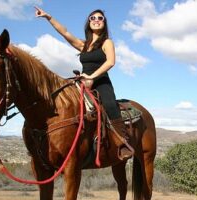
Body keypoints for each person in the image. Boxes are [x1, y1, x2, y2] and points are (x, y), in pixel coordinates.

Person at [35, 6, 133, 160]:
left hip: (101, 81)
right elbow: (65, 33)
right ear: (89, 22)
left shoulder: (107, 42)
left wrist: (92, 77)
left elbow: (111, 62)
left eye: (100, 18)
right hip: (83, 81)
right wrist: (48, 17)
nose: (96, 20)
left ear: (104, 23)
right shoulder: (84, 45)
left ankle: (122, 142)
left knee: (110, 104)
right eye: (92, 18)